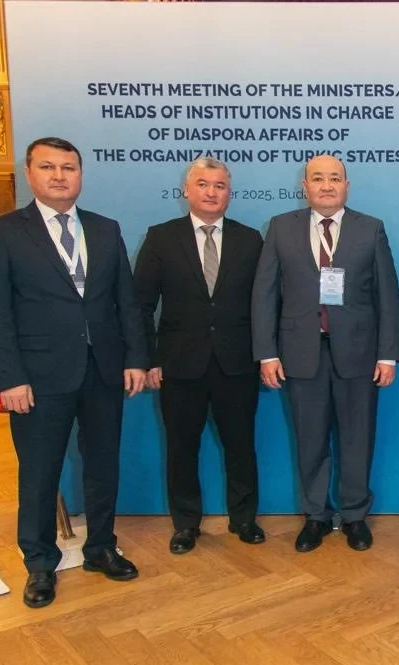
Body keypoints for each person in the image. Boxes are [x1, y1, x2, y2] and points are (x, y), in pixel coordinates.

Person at [0, 137, 148, 608]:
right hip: (36, 378)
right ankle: (39, 563)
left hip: (103, 370)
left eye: (68, 168)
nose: (59, 176)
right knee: (39, 472)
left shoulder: (105, 229)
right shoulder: (4, 232)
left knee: (103, 465)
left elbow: (126, 301)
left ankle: (101, 548)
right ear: (29, 173)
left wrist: (135, 358)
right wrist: (9, 378)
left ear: (80, 175)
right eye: (48, 167)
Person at [251, 155, 399, 552]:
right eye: (318, 178)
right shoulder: (281, 227)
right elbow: (265, 294)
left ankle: (354, 516)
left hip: (359, 354)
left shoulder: (370, 228)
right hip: (300, 354)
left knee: (357, 438)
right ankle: (316, 516)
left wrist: (387, 355)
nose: (327, 185)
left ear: (347, 185)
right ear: (305, 187)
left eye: (335, 178)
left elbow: (387, 295)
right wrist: (267, 353)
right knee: (310, 439)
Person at [133, 157, 265, 555]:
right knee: (181, 448)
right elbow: (141, 305)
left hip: (237, 363)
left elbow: (264, 303)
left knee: (241, 446)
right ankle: (186, 524)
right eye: (203, 184)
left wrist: (266, 354)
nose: (211, 192)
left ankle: (244, 518)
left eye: (219, 186)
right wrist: (149, 359)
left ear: (229, 193)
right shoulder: (161, 237)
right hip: (178, 365)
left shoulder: (250, 240)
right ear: (186, 191)